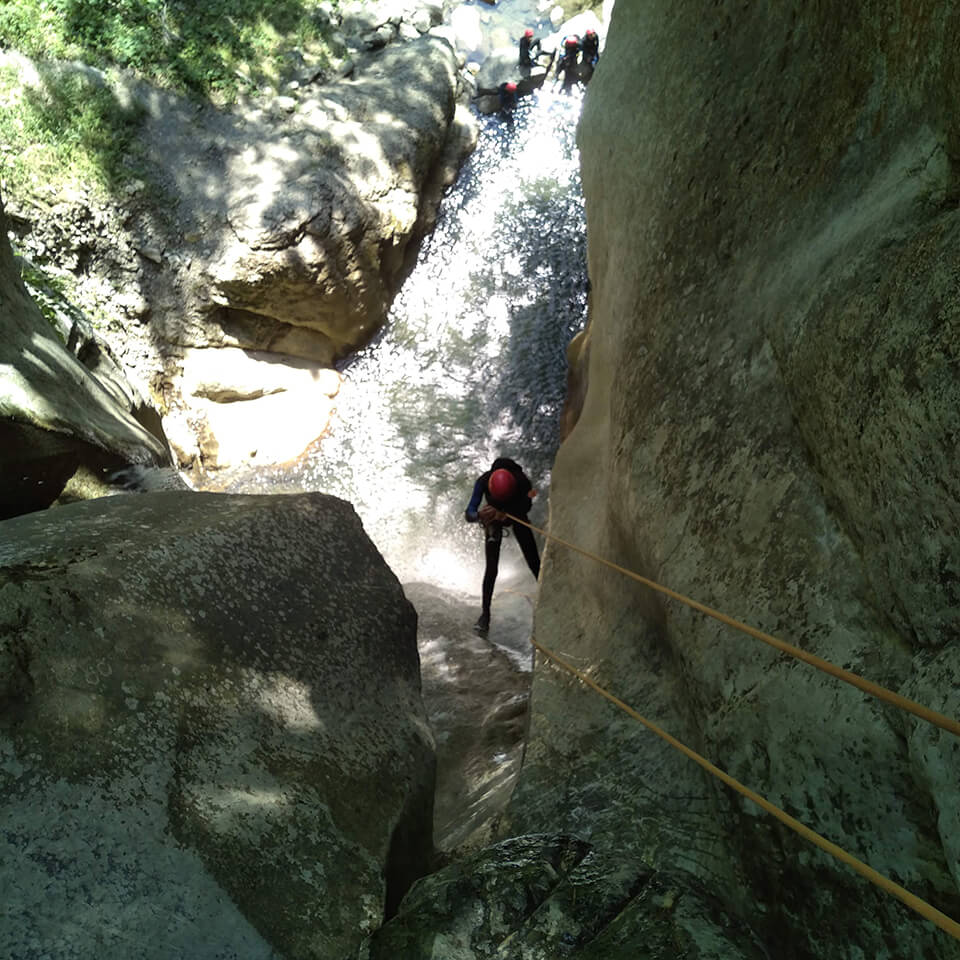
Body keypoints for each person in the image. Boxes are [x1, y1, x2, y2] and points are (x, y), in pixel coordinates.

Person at [465, 457, 541, 635]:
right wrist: (480, 515)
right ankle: (485, 615)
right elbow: (469, 513)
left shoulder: (522, 482)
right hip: (493, 516)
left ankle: (549, 600)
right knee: (491, 569)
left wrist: (507, 514)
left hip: (516, 512)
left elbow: (530, 498)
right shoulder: (483, 481)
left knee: (534, 561)